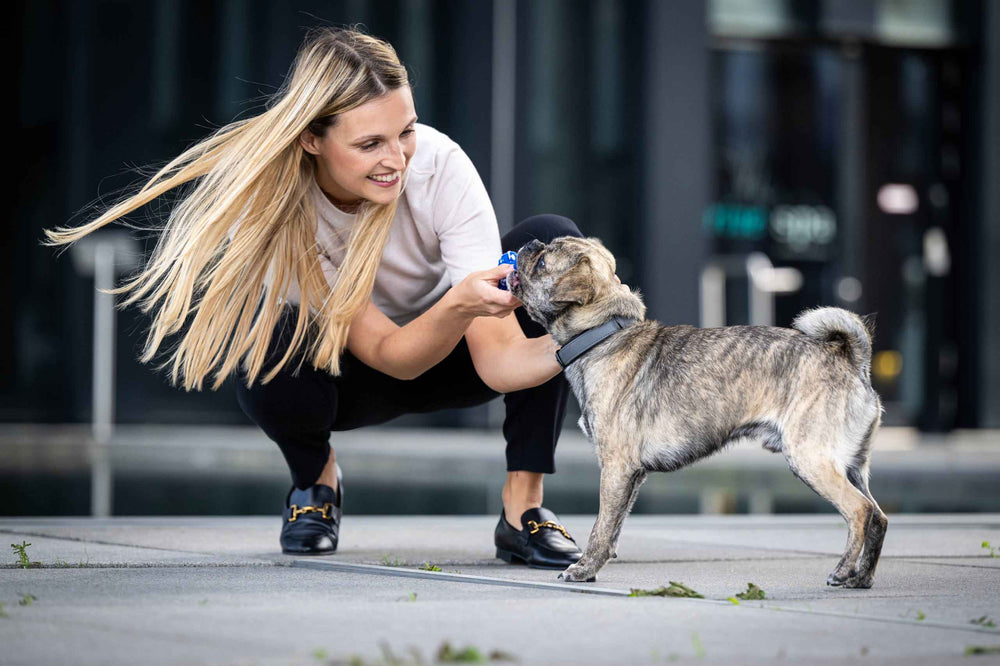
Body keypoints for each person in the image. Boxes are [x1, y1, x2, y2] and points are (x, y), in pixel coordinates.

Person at [43, 26, 583, 569]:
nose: (396, 159)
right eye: (369, 144)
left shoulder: (441, 166)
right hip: (358, 376)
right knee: (267, 340)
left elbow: (497, 358)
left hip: (462, 356)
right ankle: (315, 482)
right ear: (312, 139)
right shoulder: (281, 213)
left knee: (550, 239)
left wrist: (578, 338)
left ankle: (522, 509)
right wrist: (459, 303)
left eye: (406, 131)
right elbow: (393, 357)